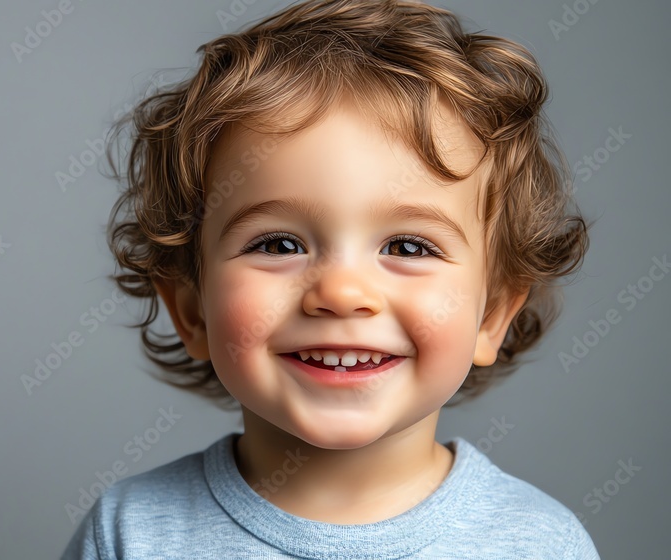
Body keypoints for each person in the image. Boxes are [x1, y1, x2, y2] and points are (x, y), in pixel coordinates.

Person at [63, 0, 598, 557]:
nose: (342, 294)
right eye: (278, 244)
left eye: (408, 246)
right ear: (192, 310)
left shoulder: (540, 545)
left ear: (491, 316)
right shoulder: (130, 534)